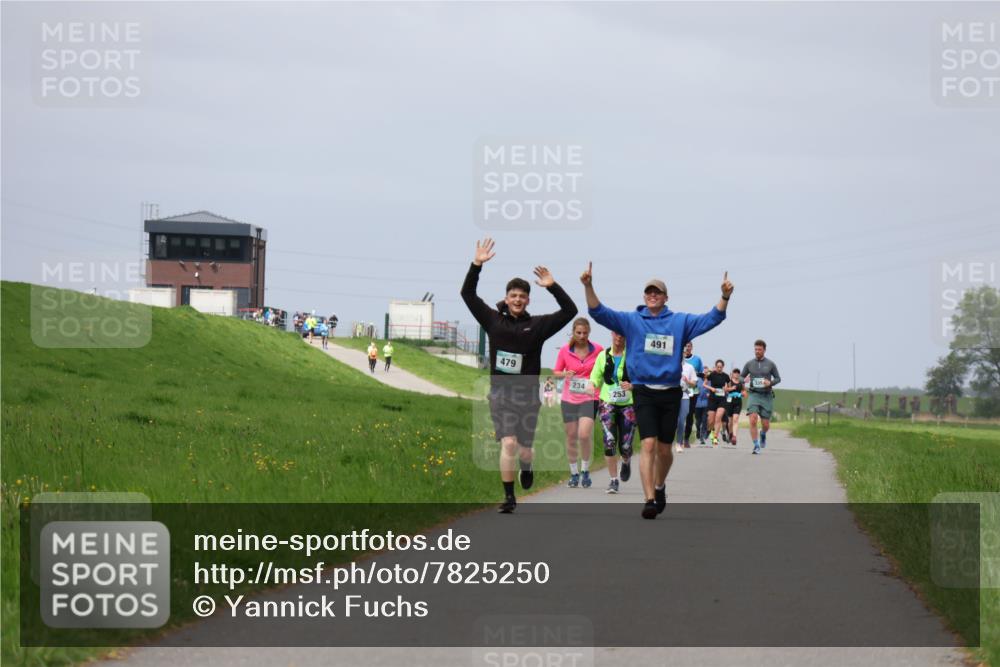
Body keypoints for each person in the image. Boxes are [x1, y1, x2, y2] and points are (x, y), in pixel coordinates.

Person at [582, 263, 733, 520]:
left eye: (658, 292)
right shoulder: (632, 320)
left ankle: (660, 485)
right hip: (643, 391)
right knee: (648, 444)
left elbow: (712, 319)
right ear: (644, 296)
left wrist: (725, 297)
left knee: (665, 450)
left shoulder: (679, 322)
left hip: (671, 391)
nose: (653, 295)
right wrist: (588, 286)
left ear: (665, 297)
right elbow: (599, 312)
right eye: (649, 292)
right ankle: (649, 499)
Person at [461, 238, 577, 514]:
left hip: (528, 397)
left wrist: (553, 286)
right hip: (501, 395)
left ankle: (527, 465)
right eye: (513, 295)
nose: (517, 299)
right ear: (507, 297)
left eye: (522, 296)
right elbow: (467, 294)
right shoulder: (492, 320)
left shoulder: (537, 326)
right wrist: (476, 264)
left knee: (525, 450)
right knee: (509, 443)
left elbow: (570, 311)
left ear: (527, 300)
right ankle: (509, 497)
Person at [554, 318, 602, 488]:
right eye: (578, 333)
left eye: (585, 333)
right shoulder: (565, 351)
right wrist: (565, 374)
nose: (582, 336)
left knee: (584, 434)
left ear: (589, 332)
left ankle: (585, 470)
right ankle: (574, 473)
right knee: (572, 436)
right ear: (573, 332)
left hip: (590, 397)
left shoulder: (598, 350)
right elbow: (556, 372)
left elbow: (603, 369)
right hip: (569, 398)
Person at [589, 331, 635, 494]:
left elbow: (642, 376)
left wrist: (632, 385)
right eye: (616, 333)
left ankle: (627, 460)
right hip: (607, 402)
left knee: (626, 445)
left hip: (628, 404)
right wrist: (591, 384)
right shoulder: (603, 356)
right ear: (611, 334)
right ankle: (613, 480)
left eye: (622, 334)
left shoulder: (632, 355)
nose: (619, 337)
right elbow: (595, 377)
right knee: (609, 441)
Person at [741, 339, 782, 455]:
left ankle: (763, 434)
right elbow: (740, 377)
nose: (757, 351)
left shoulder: (770, 364)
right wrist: (744, 380)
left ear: (764, 350)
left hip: (766, 396)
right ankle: (756, 445)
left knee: (766, 424)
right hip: (754, 394)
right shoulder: (749, 364)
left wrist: (770, 383)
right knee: (753, 419)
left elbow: (778, 378)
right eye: (755, 349)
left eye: (759, 349)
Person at [682, 342, 704, 447]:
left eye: (689, 346)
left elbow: (702, 374)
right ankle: (678, 436)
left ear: (691, 348)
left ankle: (686, 438)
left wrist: (693, 374)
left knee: (690, 415)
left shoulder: (697, 359)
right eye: (685, 346)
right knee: (679, 414)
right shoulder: (678, 358)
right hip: (679, 390)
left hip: (692, 390)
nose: (687, 348)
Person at [675, 354, 698, 453]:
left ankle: (678, 442)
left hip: (684, 395)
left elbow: (694, 383)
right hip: (671, 396)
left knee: (681, 420)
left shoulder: (689, 367)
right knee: (672, 421)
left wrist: (688, 381)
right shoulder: (671, 365)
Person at [705, 359, 729, 447]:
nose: (719, 368)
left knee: (718, 418)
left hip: (722, 399)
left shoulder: (726, 376)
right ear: (715, 367)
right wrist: (711, 388)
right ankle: (710, 431)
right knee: (710, 420)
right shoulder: (712, 375)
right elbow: (705, 384)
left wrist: (726, 388)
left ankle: (715, 438)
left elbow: (728, 386)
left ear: (723, 367)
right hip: (712, 399)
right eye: (717, 367)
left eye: (720, 367)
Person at [725, 368, 744, 446]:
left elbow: (744, 391)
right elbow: (725, 389)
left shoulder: (741, 383)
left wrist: (743, 394)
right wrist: (731, 388)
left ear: (739, 374)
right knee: (730, 422)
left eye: (738, 373)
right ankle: (730, 433)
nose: (736, 374)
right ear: (732, 374)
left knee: (735, 419)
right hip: (730, 402)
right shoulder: (729, 382)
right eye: (735, 372)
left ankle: (734, 437)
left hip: (738, 402)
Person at [695, 373, 710, 445]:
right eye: (705, 376)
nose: (706, 378)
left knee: (704, 420)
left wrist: (709, 394)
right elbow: (694, 389)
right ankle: (698, 430)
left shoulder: (710, 383)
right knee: (698, 421)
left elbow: (712, 391)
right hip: (697, 404)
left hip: (706, 404)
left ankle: (702, 437)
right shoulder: (698, 381)